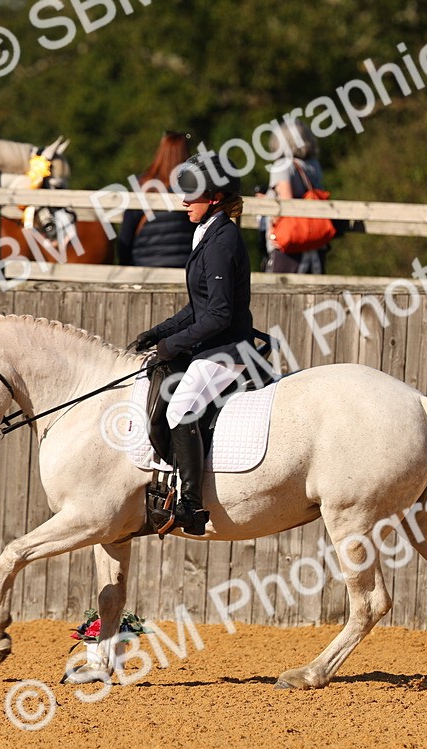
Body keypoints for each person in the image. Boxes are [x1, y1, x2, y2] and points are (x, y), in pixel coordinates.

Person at [127, 153, 254, 535]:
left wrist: (173, 345)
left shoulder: (222, 240)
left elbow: (217, 314)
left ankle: (192, 508)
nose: (183, 202)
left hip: (228, 349)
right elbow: (196, 306)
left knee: (180, 408)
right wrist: (159, 332)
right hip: (210, 343)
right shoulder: (206, 232)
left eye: (191, 195)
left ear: (214, 196)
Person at [116, 131, 195, 267]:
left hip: (144, 267)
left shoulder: (142, 185)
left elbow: (126, 236)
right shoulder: (195, 187)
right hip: (185, 268)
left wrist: (125, 266)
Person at [262, 119, 329, 274]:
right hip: (314, 242)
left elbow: (285, 204)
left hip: (288, 244)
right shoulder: (314, 165)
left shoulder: (282, 167)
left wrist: (265, 203)